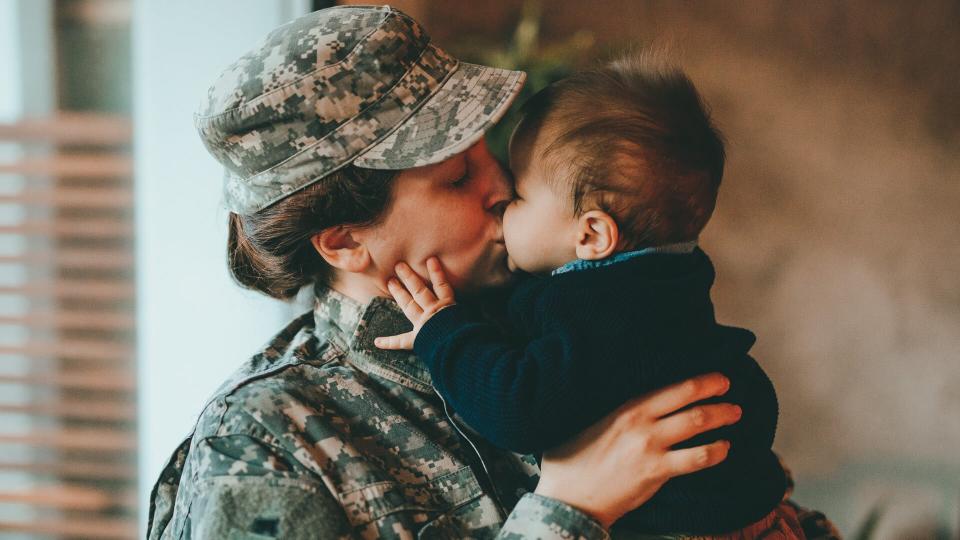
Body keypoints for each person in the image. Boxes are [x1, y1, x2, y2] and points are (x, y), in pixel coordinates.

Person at [147, 6, 840, 539]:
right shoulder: (265, 443)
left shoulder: (566, 309)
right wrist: (568, 510)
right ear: (345, 241)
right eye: (455, 178)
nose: (502, 187)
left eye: (489, 153)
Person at [374, 57, 796, 537]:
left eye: (520, 195)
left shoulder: (599, 306)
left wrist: (443, 332)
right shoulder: (665, 281)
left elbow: (517, 407)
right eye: (457, 179)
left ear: (592, 234)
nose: (500, 197)